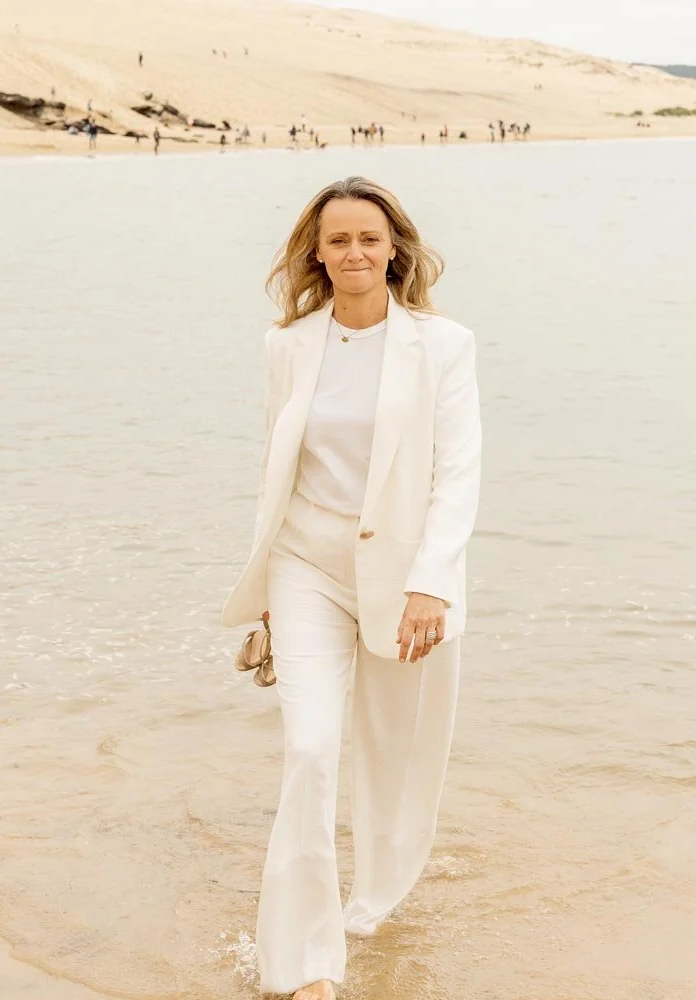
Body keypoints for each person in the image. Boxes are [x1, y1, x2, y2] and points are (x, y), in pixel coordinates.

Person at [221, 176, 482, 999]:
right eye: (338, 241)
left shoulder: (443, 345)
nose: (355, 253)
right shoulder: (288, 343)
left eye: (369, 238)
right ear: (317, 253)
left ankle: (371, 903)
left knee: (397, 759)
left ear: (396, 247)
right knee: (308, 749)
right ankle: (305, 964)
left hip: (407, 575)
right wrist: (266, 584)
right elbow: (276, 466)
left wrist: (431, 584)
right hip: (305, 564)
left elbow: (458, 472)